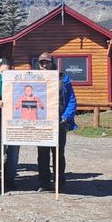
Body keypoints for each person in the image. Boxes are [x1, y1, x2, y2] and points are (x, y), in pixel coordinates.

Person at [36, 52, 77, 192]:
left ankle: (59, 181)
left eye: (47, 62)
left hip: (59, 122)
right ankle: (44, 182)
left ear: (52, 63)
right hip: (41, 123)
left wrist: (66, 116)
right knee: (42, 154)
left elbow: (71, 100)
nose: (44, 65)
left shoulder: (63, 79)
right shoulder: (33, 79)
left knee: (58, 153)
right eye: (42, 63)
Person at [0, 58, 19, 192]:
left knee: (14, 151)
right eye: (3, 72)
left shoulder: (18, 83)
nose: (5, 74)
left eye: (8, 72)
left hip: (15, 122)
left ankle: (10, 179)